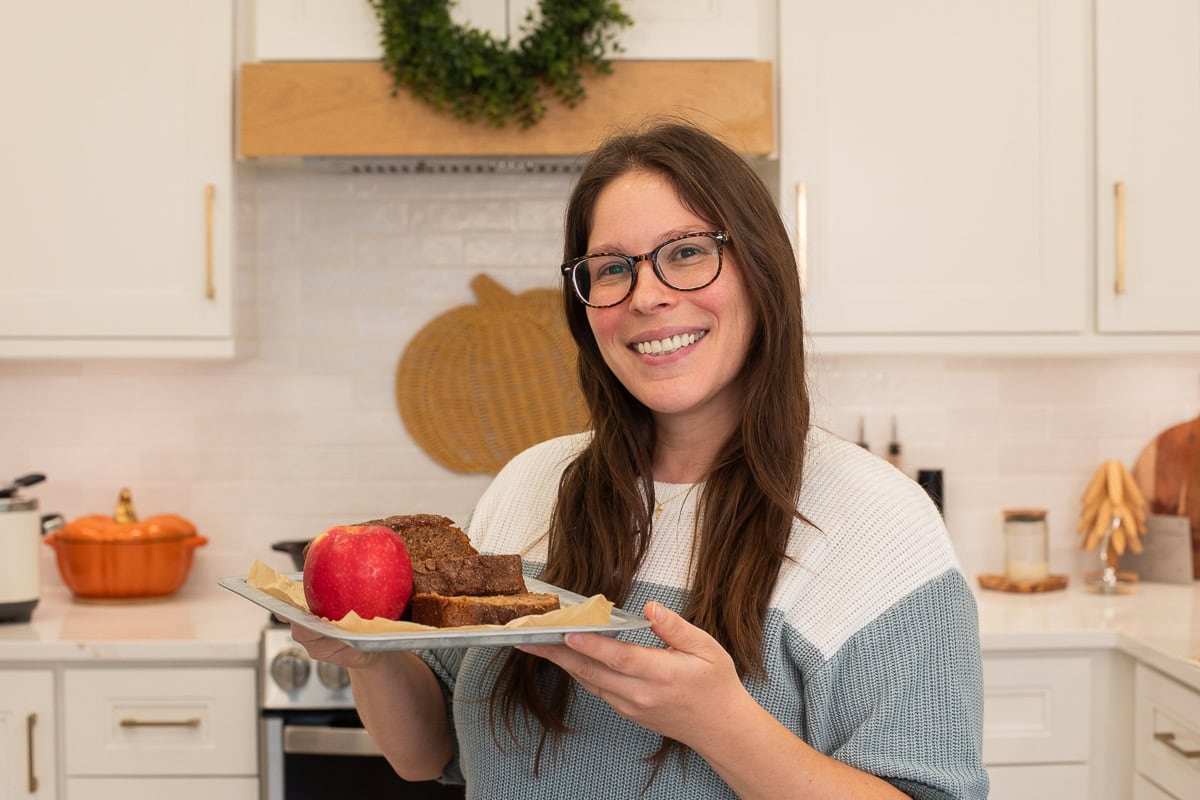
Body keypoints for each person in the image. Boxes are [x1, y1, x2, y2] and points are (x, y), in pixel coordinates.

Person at [291, 119, 989, 799]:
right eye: (612, 268)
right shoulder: (529, 486)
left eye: (686, 252)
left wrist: (719, 723)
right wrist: (366, 657)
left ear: (761, 268)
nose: (646, 295)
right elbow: (429, 755)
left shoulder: (878, 522)